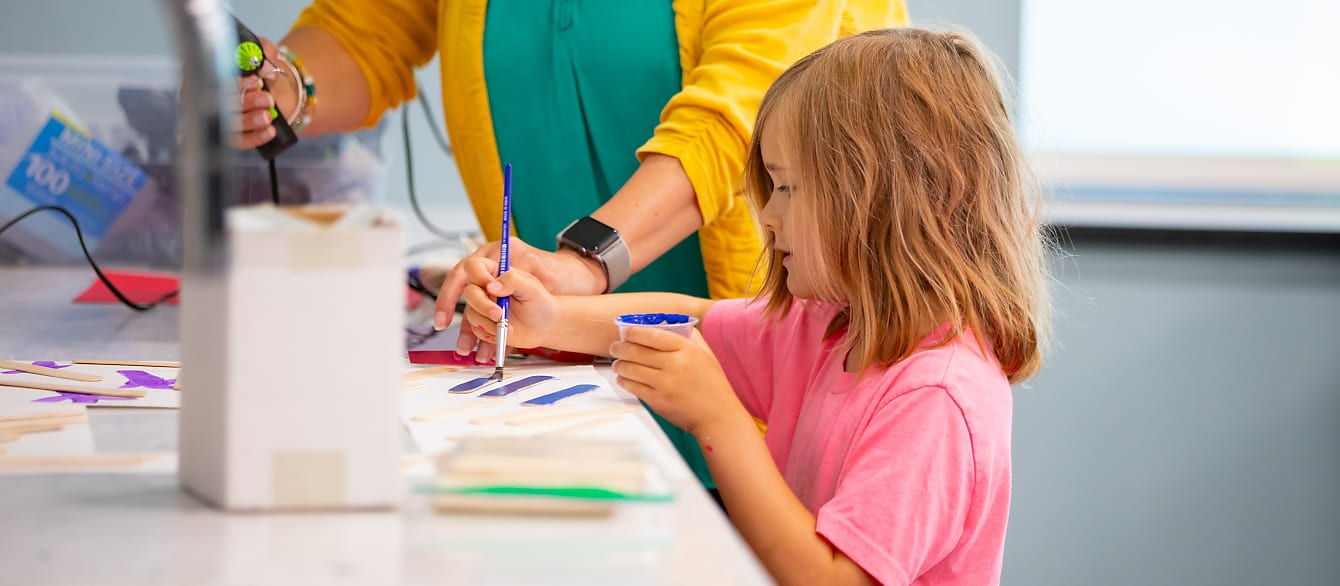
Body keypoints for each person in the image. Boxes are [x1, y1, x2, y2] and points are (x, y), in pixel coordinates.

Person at [234, 1, 909, 495]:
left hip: (750, 365)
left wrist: (586, 262)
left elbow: (741, 117)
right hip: (558, 357)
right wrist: (288, 87)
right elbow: (368, 24)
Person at [458, 28, 1052, 584]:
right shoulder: (834, 327)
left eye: (787, 187)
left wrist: (719, 423)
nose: (766, 216)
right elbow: (696, 323)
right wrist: (551, 317)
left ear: (887, 201)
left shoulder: (936, 397)